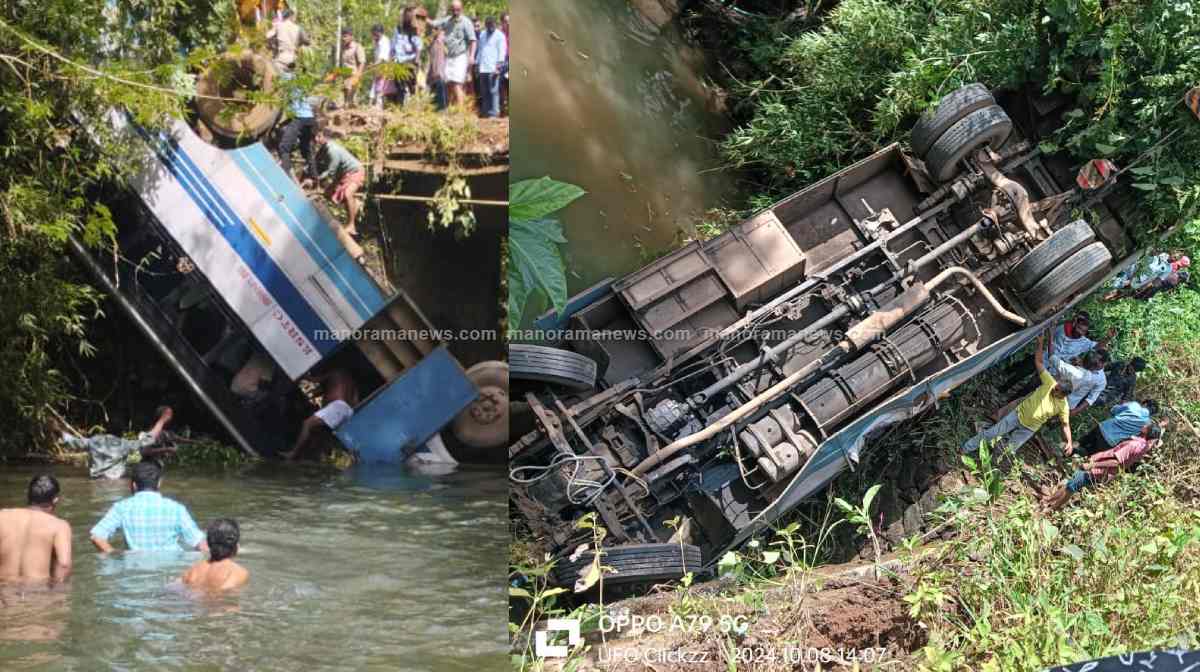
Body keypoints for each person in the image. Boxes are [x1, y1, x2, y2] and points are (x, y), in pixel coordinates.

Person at [964, 330, 1073, 454]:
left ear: (1063, 395)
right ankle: (965, 448)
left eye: (1057, 390)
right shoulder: (1050, 383)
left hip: (1029, 429)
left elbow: (1065, 425)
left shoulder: (1063, 406)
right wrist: (1040, 343)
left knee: (1009, 450)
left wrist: (1069, 442)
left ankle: (989, 460)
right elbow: (1039, 362)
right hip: (1018, 414)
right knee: (992, 432)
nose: (1054, 388)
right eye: (1055, 386)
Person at [1042, 422, 1162, 511]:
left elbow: (1117, 462)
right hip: (1104, 471)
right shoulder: (1144, 446)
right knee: (1071, 484)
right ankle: (1049, 501)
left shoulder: (1134, 444)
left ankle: (1051, 508)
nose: (1145, 424)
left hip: (1099, 470)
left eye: (1148, 425)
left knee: (1071, 487)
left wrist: (1093, 464)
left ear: (1147, 431)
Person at [90, 461, 207, 553]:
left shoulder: (121, 508)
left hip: (135, 569)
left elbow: (97, 537)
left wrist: (114, 556)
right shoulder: (176, 509)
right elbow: (201, 544)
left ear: (134, 485)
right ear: (159, 483)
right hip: (169, 571)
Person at [61, 405, 178, 480]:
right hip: (114, 484)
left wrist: (58, 431)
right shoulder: (124, 445)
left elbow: (71, 441)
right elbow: (148, 439)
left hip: (97, 482)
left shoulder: (93, 441)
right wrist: (162, 420)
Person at [0, 475, 71, 583]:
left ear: (28, 495)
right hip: (36, 593)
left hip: (3, 590)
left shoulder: (2, 516)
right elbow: (64, 564)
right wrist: (57, 595)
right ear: (55, 500)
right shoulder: (59, 525)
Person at [283, 369, 359, 461]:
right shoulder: (352, 383)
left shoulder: (335, 372)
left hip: (337, 406)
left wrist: (302, 374)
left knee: (307, 424)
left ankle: (292, 453)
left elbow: (313, 380)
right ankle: (353, 456)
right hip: (348, 410)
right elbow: (355, 401)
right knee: (332, 435)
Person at [312, 126, 366, 238]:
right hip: (342, 175)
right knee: (328, 194)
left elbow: (331, 171)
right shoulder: (325, 148)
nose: (316, 140)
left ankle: (351, 225)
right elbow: (317, 161)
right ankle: (355, 203)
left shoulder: (332, 150)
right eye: (315, 137)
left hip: (355, 172)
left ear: (324, 136)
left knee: (347, 194)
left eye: (318, 137)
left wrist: (317, 179)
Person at [1071, 398, 1159, 458]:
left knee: (1081, 441)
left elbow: (1114, 410)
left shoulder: (1134, 405)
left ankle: (1066, 450)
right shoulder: (1147, 424)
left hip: (1103, 428)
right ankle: (1074, 456)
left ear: (1145, 403)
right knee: (1089, 452)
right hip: (1110, 442)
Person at [180, 519, 249, 592]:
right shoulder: (237, 572)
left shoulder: (192, 570)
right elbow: (220, 595)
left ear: (208, 544)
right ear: (236, 546)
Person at [276, 72, 319, 184]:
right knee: (306, 150)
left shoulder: (286, 79)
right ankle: (315, 177)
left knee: (283, 147)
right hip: (309, 119)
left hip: (300, 118)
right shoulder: (300, 85)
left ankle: (286, 174)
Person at [431, 0, 477, 106]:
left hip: (460, 56)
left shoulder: (466, 22)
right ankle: (452, 109)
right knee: (448, 83)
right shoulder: (447, 20)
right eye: (453, 9)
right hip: (449, 56)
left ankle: (460, 112)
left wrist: (472, 56)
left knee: (457, 84)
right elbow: (434, 23)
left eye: (458, 9)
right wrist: (422, 16)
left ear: (461, 9)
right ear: (450, 10)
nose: (455, 12)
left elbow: (473, 40)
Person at [1053, 349, 1108, 417]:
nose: (1094, 360)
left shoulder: (1101, 380)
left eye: (1097, 360)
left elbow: (1091, 398)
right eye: (1094, 357)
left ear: (1104, 363)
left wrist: (1076, 411)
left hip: (1068, 403)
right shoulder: (1083, 361)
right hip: (1055, 389)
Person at [476, 16, 507, 118]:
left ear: (495, 24)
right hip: (483, 67)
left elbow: (502, 52)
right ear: (486, 25)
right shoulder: (482, 34)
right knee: (484, 92)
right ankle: (486, 112)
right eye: (488, 24)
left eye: (492, 24)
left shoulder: (500, 36)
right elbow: (480, 50)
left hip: (493, 68)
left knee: (493, 91)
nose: (490, 27)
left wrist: (498, 67)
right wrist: (477, 63)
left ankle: (494, 113)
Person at [329, 27, 367, 107]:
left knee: (352, 100)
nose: (343, 38)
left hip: (353, 75)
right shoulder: (341, 47)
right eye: (342, 36)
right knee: (341, 100)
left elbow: (362, 62)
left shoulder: (357, 47)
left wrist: (357, 76)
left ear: (351, 36)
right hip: (344, 74)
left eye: (345, 36)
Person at [392, 7, 422, 105]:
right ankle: (400, 106)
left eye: (410, 16)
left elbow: (418, 46)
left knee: (411, 85)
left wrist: (417, 60)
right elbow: (393, 44)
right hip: (398, 61)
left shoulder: (415, 30)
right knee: (399, 86)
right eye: (407, 16)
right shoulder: (398, 29)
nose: (408, 18)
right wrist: (391, 57)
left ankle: (413, 105)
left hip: (410, 61)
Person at [368, 24, 395, 109]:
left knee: (382, 86)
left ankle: (379, 105)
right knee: (377, 85)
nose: (374, 35)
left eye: (375, 33)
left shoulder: (384, 42)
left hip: (385, 67)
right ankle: (373, 103)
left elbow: (383, 58)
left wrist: (373, 65)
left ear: (380, 33)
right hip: (378, 67)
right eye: (373, 34)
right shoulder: (376, 41)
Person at [427, 24, 448, 110]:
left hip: (441, 73)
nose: (433, 31)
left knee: (441, 95)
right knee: (433, 96)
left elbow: (447, 54)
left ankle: (442, 110)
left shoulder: (443, 41)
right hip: (433, 73)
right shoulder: (433, 42)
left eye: (435, 29)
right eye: (432, 29)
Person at [499, 12, 509, 115]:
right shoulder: (498, 34)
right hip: (502, 62)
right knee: (501, 85)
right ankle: (503, 109)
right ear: (502, 23)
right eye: (506, 21)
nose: (508, 24)